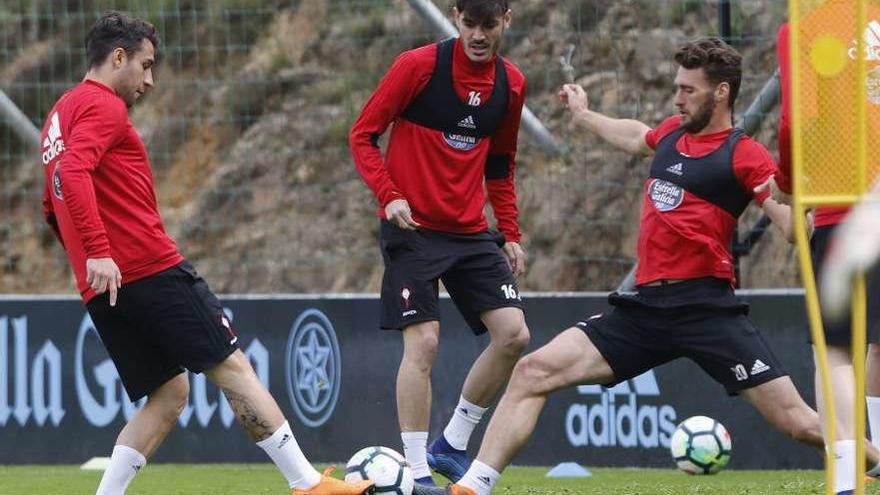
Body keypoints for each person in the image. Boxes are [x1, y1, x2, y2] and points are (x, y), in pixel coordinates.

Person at [413, 37, 880, 495]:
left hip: (706, 310)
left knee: (797, 422)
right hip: (645, 308)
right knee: (534, 370)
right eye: (676, 86)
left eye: (688, 89)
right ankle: (473, 486)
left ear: (722, 92)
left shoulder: (744, 153)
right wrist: (583, 115)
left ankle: (874, 459)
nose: (677, 97)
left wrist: (804, 217)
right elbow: (636, 135)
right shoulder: (671, 136)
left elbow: (785, 218)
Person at [40, 11, 372, 495]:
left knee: (171, 392)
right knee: (233, 366)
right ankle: (306, 484)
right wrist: (100, 249)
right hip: (147, 268)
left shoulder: (58, 115)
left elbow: (52, 206)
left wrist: (90, 261)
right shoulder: (103, 106)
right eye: (145, 65)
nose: (149, 80)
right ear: (117, 57)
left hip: (105, 287)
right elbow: (73, 175)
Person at [349, 0, 529, 486]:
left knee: (514, 335)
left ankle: (451, 444)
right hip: (413, 230)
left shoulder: (510, 84)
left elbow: (501, 164)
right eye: (469, 23)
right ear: (455, 16)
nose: (477, 34)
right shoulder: (418, 67)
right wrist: (389, 196)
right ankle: (415, 471)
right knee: (425, 343)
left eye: (488, 25)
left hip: (471, 232)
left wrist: (509, 230)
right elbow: (362, 135)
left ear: (506, 21)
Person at [770, 13, 880, 494]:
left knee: (835, 352)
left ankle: (845, 480)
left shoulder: (807, 28)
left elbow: (797, 120)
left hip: (844, 210)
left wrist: (793, 185)